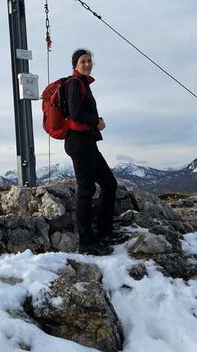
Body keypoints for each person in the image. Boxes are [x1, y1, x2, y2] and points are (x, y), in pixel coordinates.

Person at [64, 48, 125, 256]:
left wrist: (94, 124)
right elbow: (75, 113)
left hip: (87, 141)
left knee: (109, 183)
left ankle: (104, 232)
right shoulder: (75, 83)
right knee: (86, 189)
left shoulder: (83, 84)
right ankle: (86, 242)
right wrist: (96, 122)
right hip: (79, 142)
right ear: (75, 64)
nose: (87, 64)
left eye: (89, 60)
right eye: (83, 61)